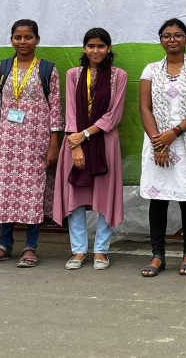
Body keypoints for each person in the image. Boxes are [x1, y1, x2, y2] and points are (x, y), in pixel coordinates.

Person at [0, 19, 63, 268]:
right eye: (18, 37)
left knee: (33, 193)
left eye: (28, 37)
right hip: (7, 143)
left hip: (37, 143)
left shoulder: (48, 70)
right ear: (12, 39)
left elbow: (55, 107)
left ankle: (30, 247)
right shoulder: (1, 69)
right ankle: (3, 245)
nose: (23, 42)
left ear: (37, 39)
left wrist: (53, 143)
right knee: (6, 192)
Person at [138, 18, 186, 277]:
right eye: (167, 35)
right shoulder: (150, 70)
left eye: (178, 35)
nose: (172, 39)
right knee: (158, 200)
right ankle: (158, 255)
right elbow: (145, 108)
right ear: (161, 40)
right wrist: (159, 141)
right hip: (157, 141)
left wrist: (174, 133)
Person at [54, 28, 127, 271]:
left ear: (108, 49)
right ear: (84, 48)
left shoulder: (119, 76)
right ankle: (78, 250)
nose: (96, 50)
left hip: (104, 141)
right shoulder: (74, 75)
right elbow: (71, 113)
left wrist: (85, 135)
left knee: (105, 195)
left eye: (101, 46)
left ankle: (101, 251)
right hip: (74, 141)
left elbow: (113, 115)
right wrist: (76, 146)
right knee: (76, 195)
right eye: (91, 46)